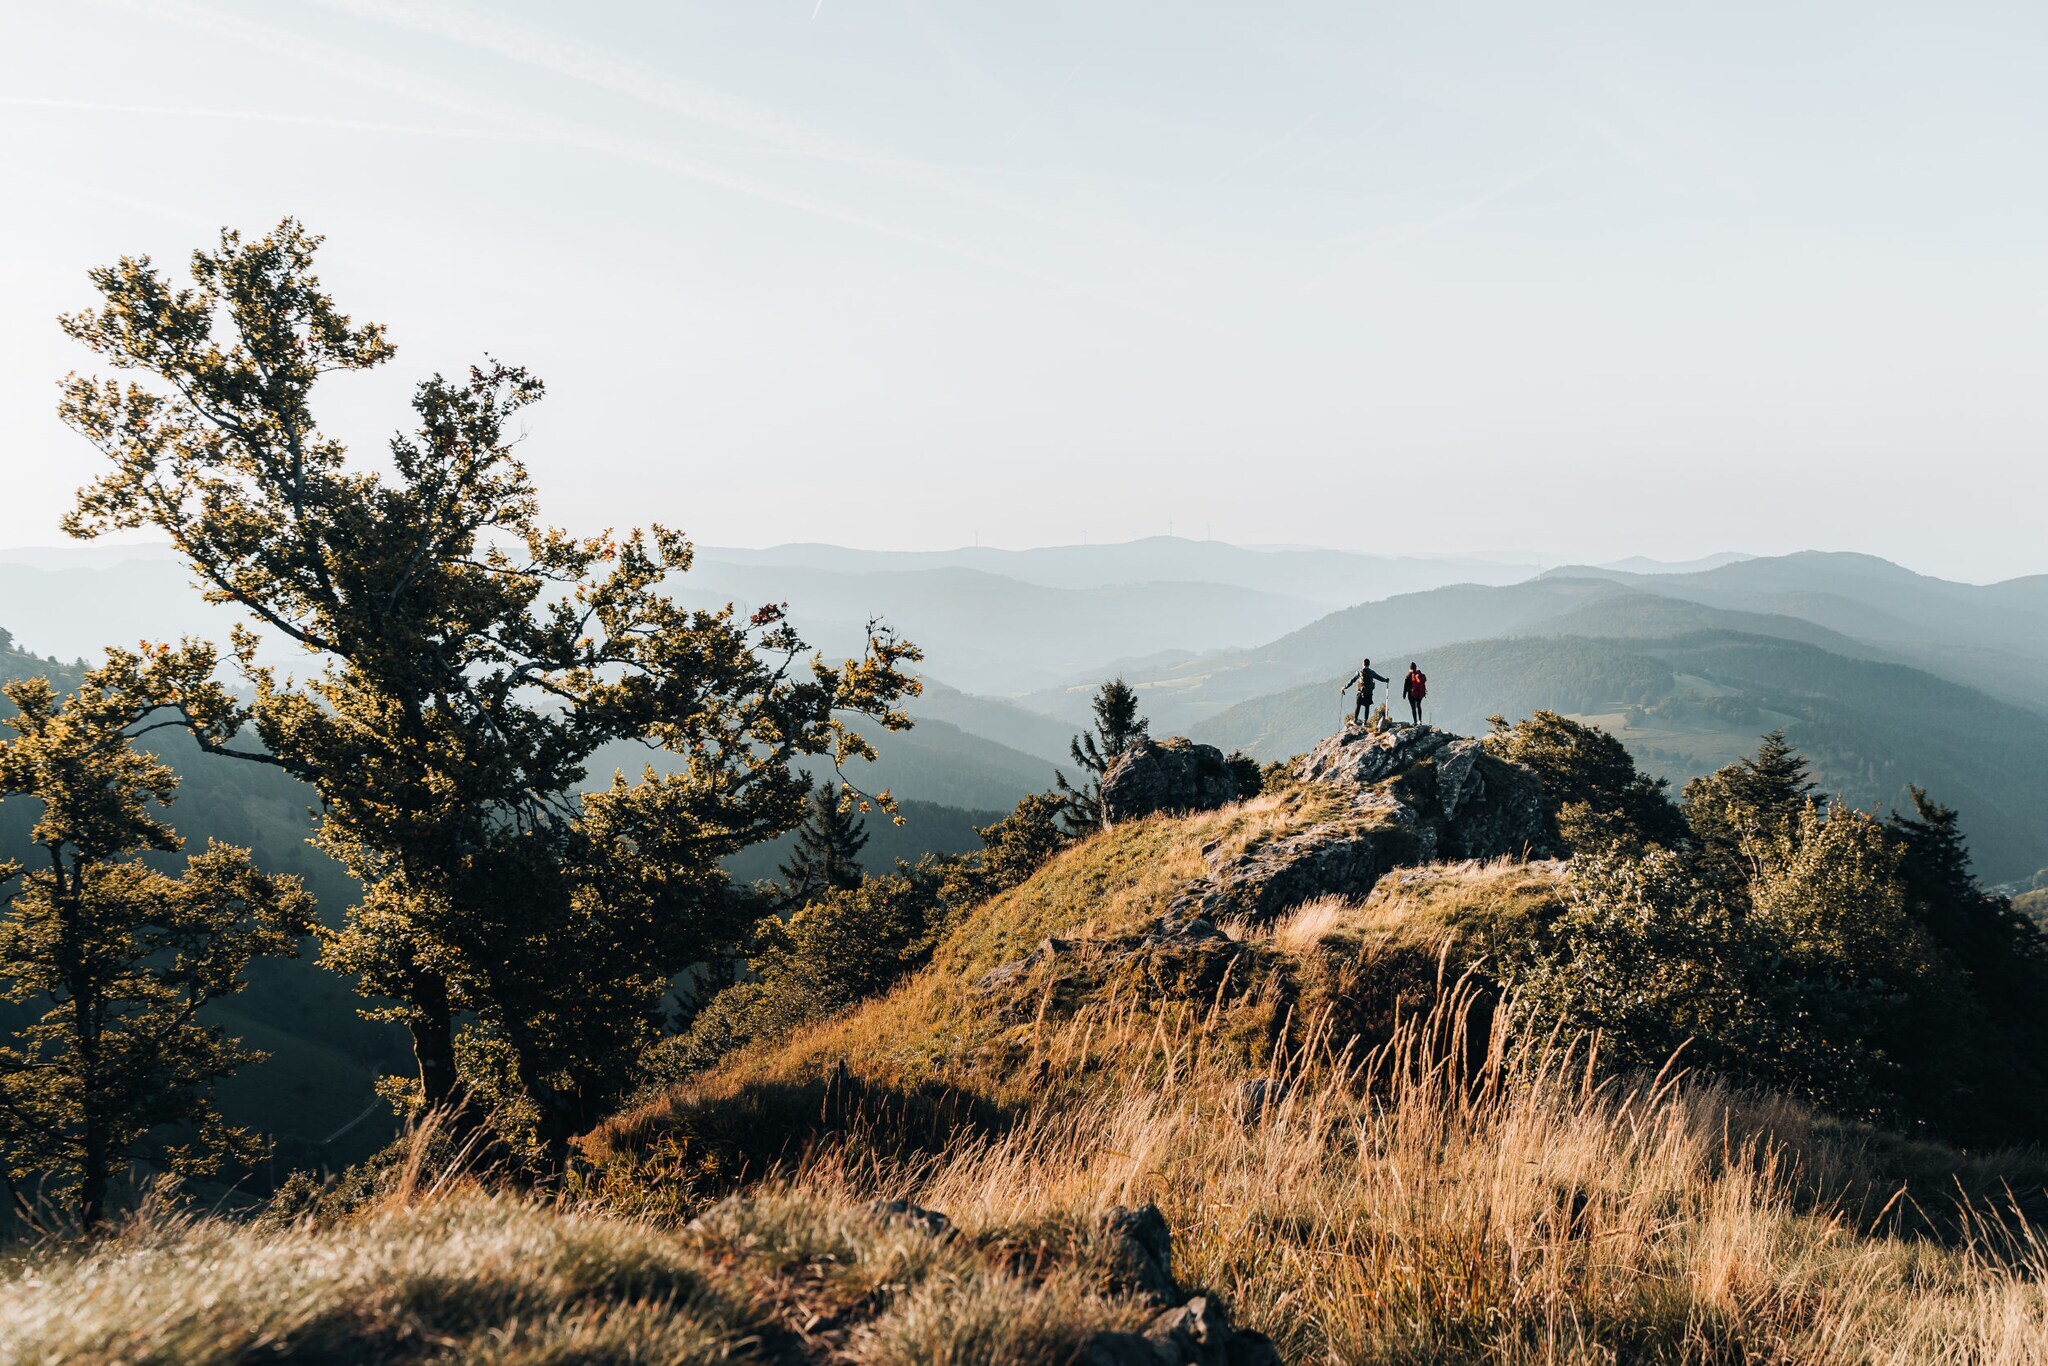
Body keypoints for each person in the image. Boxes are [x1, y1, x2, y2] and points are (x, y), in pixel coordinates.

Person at [1339, 657, 1389, 727]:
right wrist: (1386, 680)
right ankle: (1365, 722)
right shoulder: (1372, 672)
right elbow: (1379, 678)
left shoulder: (1359, 672)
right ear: (1369, 664)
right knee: (1367, 707)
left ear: (1363, 664)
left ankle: (1355, 720)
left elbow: (1352, 681)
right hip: (1369, 693)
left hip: (1361, 693)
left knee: (1358, 706)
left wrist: (1344, 687)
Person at [1402, 661, 1427, 726]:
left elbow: (1405, 686)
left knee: (1413, 708)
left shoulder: (1408, 676)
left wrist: (1404, 694)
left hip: (1411, 694)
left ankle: (1415, 722)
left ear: (1410, 669)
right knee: (1419, 706)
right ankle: (1420, 720)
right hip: (1419, 693)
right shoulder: (1419, 674)